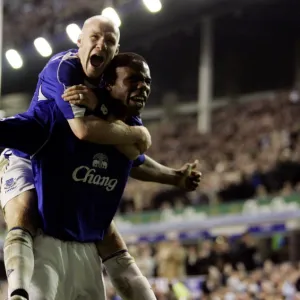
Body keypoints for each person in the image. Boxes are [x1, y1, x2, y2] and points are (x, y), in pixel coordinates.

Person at [1, 52, 201, 300]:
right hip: (28, 177)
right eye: (133, 80)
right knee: (25, 212)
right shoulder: (61, 112)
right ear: (108, 84)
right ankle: (17, 292)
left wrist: (174, 176)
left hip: (80, 235)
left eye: (147, 82)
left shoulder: (125, 129)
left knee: (103, 227)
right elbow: (18, 131)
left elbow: (136, 161)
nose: (143, 87)